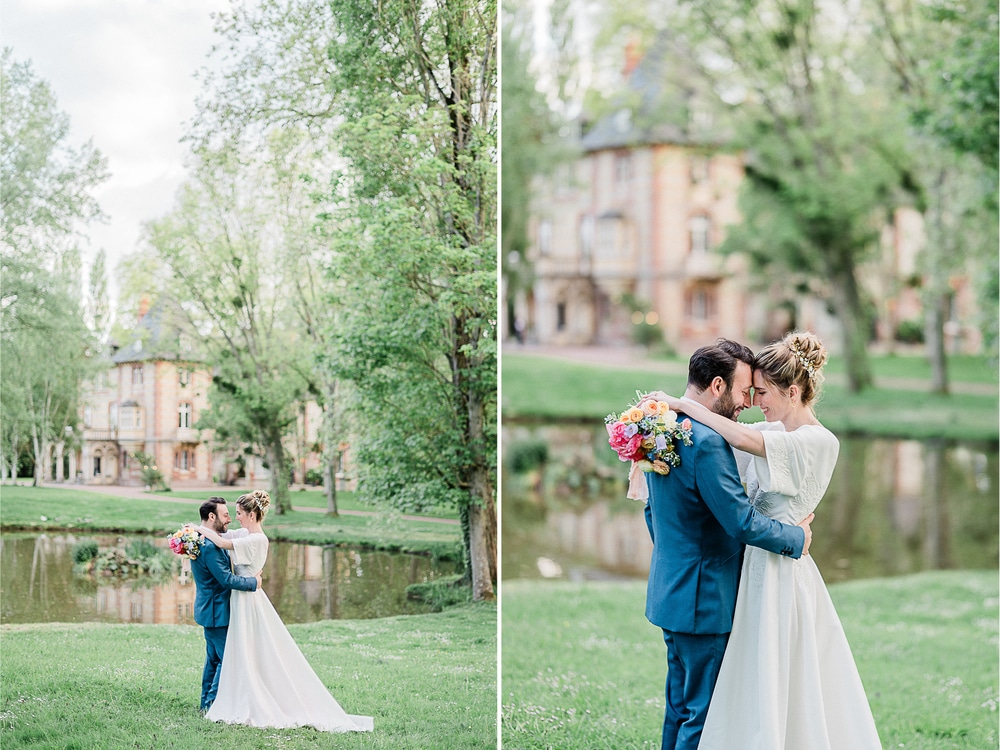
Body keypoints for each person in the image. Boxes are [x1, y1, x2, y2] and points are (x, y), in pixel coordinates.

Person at [658, 331, 882, 749]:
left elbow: (740, 439)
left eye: (762, 392)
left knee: (779, 675)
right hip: (749, 570)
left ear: (793, 391)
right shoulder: (771, 431)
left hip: (780, 571)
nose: (755, 401)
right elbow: (719, 444)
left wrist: (682, 404)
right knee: (744, 679)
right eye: (752, 391)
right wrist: (662, 427)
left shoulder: (816, 441)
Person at [641, 339, 814, 750]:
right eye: (741, 392)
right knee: (703, 715)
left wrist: (679, 556)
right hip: (706, 602)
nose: (746, 404)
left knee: (679, 708)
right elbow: (740, 520)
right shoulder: (707, 442)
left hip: (670, 590)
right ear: (717, 386)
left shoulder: (659, 427)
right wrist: (797, 538)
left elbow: (652, 513)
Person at [197, 490, 374, 733]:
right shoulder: (245, 534)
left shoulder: (257, 539)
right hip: (239, 600)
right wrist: (193, 532)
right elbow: (222, 536)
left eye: (238, 513)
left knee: (244, 649)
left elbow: (223, 542)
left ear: (251, 514)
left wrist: (195, 529)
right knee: (237, 651)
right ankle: (226, 695)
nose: (235, 518)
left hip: (248, 600)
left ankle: (236, 698)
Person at [189, 497, 261, 714]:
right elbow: (226, 580)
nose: (229, 519)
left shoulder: (201, 538)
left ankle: (206, 704)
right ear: (212, 517)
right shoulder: (210, 546)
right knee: (226, 659)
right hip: (216, 610)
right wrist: (254, 582)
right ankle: (212, 705)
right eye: (225, 514)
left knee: (213, 659)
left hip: (210, 609)